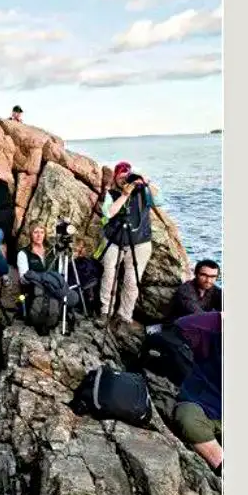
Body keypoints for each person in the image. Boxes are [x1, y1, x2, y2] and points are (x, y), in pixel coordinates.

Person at [96, 160, 161, 328]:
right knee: (109, 276)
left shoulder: (143, 192)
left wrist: (146, 182)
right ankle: (105, 311)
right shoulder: (112, 194)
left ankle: (125, 315)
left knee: (132, 281)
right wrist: (124, 195)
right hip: (115, 240)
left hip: (140, 242)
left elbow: (158, 198)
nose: (124, 180)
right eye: (120, 177)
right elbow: (109, 213)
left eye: (127, 176)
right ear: (115, 177)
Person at [173, 311, 222, 476]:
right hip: (203, 402)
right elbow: (183, 325)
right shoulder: (214, 334)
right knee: (187, 419)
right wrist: (221, 318)